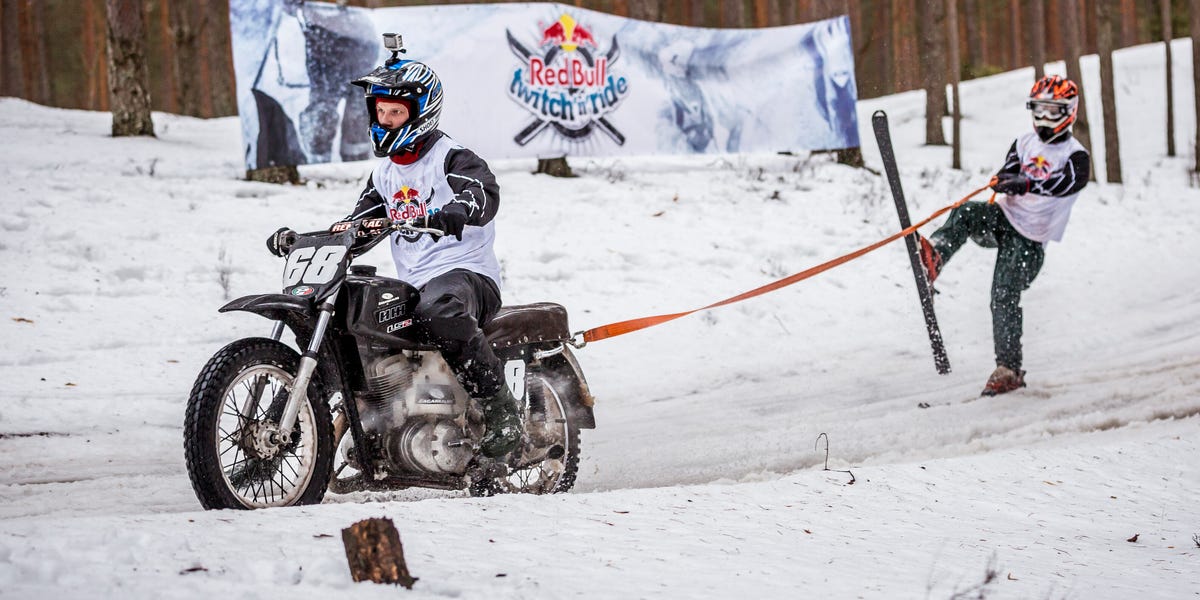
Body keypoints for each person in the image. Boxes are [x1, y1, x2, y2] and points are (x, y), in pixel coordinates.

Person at [267, 58, 523, 459]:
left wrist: (455, 211)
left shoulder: (452, 158)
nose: (385, 120)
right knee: (346, 315)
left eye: (396, 113)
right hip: (416, 283)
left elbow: (483, 194)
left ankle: (500, 408)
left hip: (467, 274)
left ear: (421, 113)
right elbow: (360, 225)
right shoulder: (384, 175)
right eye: (380, 112)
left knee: (438, 309)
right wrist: (319, 238)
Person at [917, 75, 1090, 397]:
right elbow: (1010, 167)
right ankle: (935, 256)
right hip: (1004, 220)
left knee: (1003, 295)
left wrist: (1025, 184)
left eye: (1053, 111)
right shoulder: (1024, 142)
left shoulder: (1076, 156)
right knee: (968, 211)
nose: (1044, 118)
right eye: (1039, 110)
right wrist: (1004, 180)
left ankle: (1009, 368)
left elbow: (1063, 185)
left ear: (1069, 112)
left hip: (1029, 241)